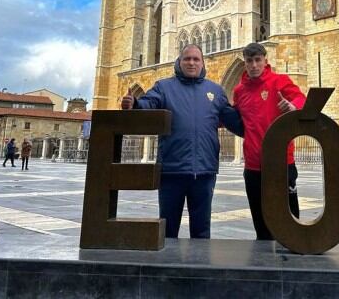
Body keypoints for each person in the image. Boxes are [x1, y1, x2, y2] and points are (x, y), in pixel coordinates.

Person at [121, 44, 243, 239]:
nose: (191, 62)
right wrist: (134, 104)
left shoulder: (215, 91)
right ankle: (167, 270)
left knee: (202, 231)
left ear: (203, 63)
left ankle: (199, 269)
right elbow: (148, 103)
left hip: (204, 171)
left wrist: (264, 126)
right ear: (179, 61)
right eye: (187, 59)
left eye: (196, 59)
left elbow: (236, 121)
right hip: (171, 171)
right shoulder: (164, 87)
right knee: (168, 230)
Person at [232, 43, 307, 240]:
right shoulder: (240, 91)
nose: (254, 65)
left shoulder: (279, 81)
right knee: (261, 223)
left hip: (282, 163)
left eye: (258, 60)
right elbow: (234, 118)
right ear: (245, 63)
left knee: (291, 223)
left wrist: (293, 106)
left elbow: (301, 98)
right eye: (250, 61)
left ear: (265, 60)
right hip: (253, 166)